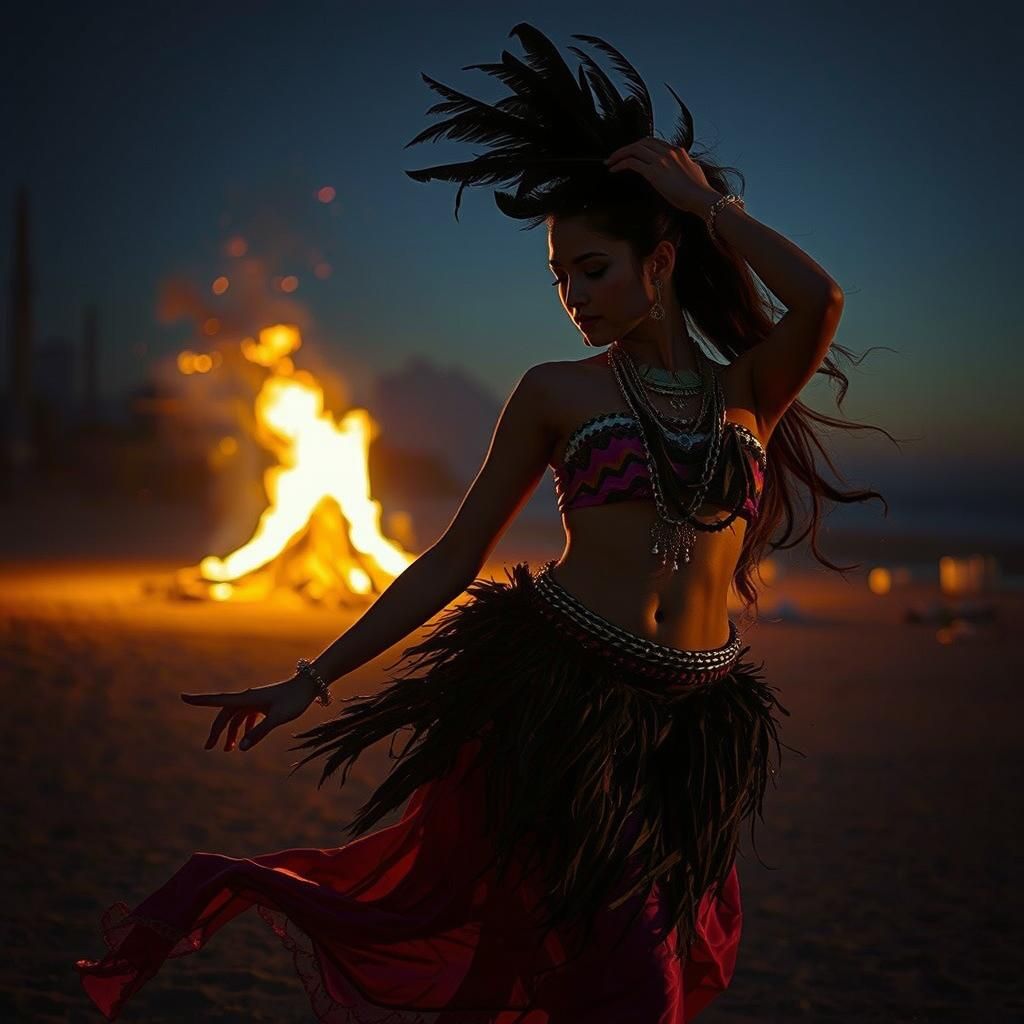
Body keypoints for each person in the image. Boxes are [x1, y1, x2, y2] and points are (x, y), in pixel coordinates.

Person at [74, 23, 895, 1023]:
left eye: (592, 268)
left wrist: (704, 202)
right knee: (630, 986)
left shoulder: (748, 389)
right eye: (560, 278)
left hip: (695, 732)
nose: (573, 297)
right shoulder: (555, 391)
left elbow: (821, 297)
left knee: (607, 979)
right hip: (567, 707)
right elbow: (454, 556)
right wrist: (311, 678)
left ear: (661, 261)